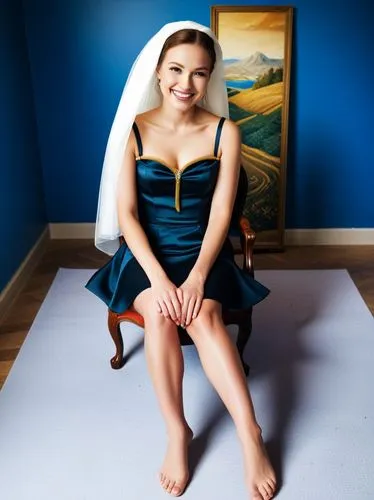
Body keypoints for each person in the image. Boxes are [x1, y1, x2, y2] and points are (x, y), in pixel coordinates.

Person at [86, 21, 276, 499]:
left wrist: (195, 279)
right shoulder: (135, 130)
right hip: (146, 255)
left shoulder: (224, 133)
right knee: (158, 312)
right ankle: (178, 432)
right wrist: (159, 280)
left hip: (201, 253)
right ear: (158, 71)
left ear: (210, 78)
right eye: (176, 70)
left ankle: (251, 434)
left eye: (199, 73)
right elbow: (127, 215)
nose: (185, 84)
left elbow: (220, 215)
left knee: (207, 316)